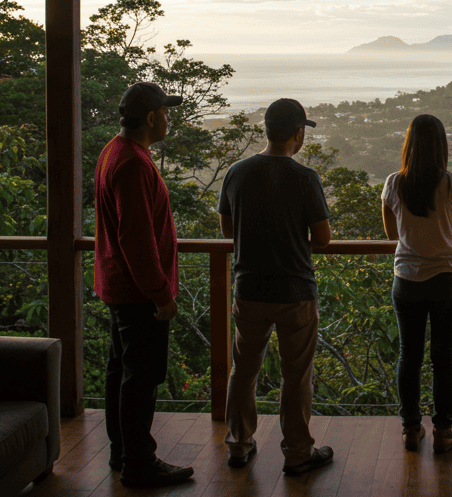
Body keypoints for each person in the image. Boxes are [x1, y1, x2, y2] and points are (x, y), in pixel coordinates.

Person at [217, 98, 335, 476]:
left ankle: (238, 444)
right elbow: (323, 238)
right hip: (295, 291)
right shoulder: (305, 178)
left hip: (248, 288)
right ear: (298, 134)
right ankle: (298, 451)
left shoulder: (237, 172)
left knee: (244, 369)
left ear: (266, 130)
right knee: (296, 374)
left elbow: (227, 229)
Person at [93, 81, 194, 488]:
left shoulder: (113, 152)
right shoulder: (133, 163)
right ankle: (139, 462)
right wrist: (161, 294)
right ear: (150, 117)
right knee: (141, 378)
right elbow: (137, 238)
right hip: (138, 292)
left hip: (120, 285)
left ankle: (123, 452)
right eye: (166, 113)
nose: (169, 119)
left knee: (122, 372)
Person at [383, 114, 452, 453]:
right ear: (442, 147)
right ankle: (444, 433)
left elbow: (392, 234)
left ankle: (410, 430)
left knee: (409, 355)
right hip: (448, 279)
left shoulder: (394, 184)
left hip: (407, 279)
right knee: (443, 357)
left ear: (409, 146)